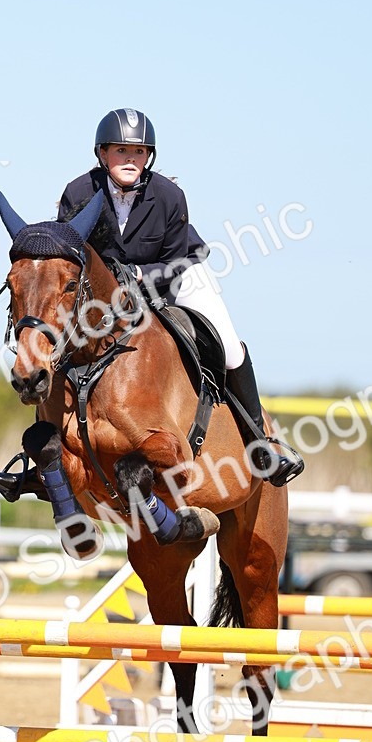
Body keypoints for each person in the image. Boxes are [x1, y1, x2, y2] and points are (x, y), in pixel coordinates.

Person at [57, 107, 303, 485]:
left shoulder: (169, 195)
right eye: (121, 150)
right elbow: (66, 259)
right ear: (102, 154)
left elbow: (175, 266)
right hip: (106, 293)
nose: (130, 159)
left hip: (177, 275)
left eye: (138, 152)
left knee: (230, 346)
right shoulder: (78, 192)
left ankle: (261, 442)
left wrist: (139, 277)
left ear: (148, 157)